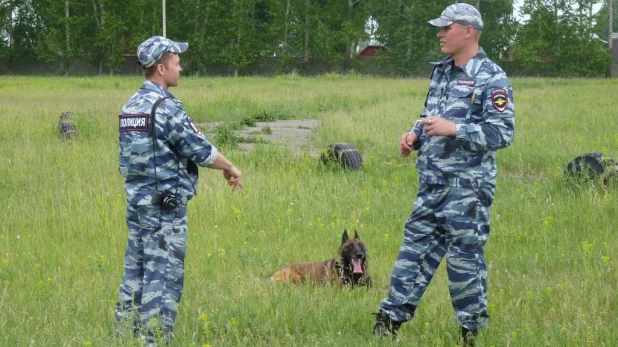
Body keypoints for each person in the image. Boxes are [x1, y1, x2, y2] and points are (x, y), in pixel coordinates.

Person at [372, 4, 515, 346]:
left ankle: (470, 333)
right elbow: (429, 115)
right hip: (431, 184)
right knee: (412, 253)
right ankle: (387, 324)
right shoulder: (441, 72)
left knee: (464, 264)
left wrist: (456, 129)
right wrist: (414, 136)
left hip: (467, 190)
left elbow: (502, 133)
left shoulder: (491, 77)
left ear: (467, 30)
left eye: (445, 28)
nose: (439, 33)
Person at [115, 36, 244, 345]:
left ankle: (124, 336)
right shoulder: (165, 107)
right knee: (163, 277)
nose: (181, 68)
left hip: (138, 205)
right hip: (164, 209)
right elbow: (199, 149)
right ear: (161, 68)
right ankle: (154, 340)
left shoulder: (130, 106)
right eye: (176, 63)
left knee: (135, 271)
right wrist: (230, 167)